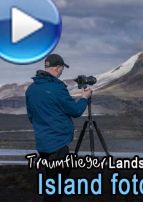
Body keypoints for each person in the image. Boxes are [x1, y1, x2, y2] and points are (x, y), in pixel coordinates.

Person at [25, 54, 92, 202]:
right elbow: (75, 111)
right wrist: (84, 98)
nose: (61, 72)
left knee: (51, 180)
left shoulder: (31, 89)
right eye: (61, 69)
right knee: (56, 185)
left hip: (42, 143)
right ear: (57, 68)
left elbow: (31, 116)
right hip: (58, 143)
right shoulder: (57, 88)